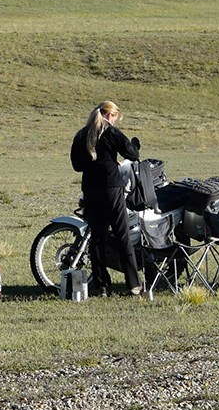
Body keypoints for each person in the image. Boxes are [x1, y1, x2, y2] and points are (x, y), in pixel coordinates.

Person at [70, 101, 142, 297]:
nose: (116, 121)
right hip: (112, 188)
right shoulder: (111, 132)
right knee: (122, 235)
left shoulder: (82, 134)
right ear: (110, 115)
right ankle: (133, 283)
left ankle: (102, 285)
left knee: (97, 237)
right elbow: (132, 154)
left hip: (91, 189)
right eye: (116, 117)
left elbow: (77, 165)